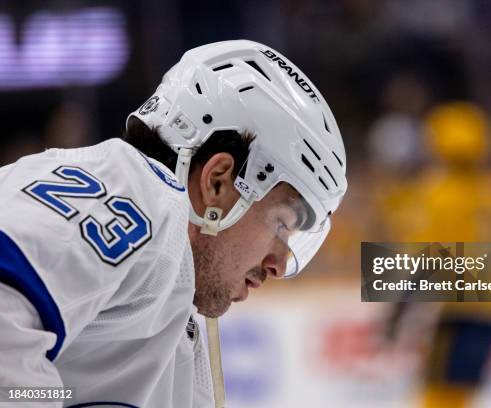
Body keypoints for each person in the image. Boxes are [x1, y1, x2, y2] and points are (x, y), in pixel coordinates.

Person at [0, 40, 347, 407]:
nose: (278, 264)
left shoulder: (174, 307)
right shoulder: (139, 194)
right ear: (218, 182)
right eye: (281, 225)